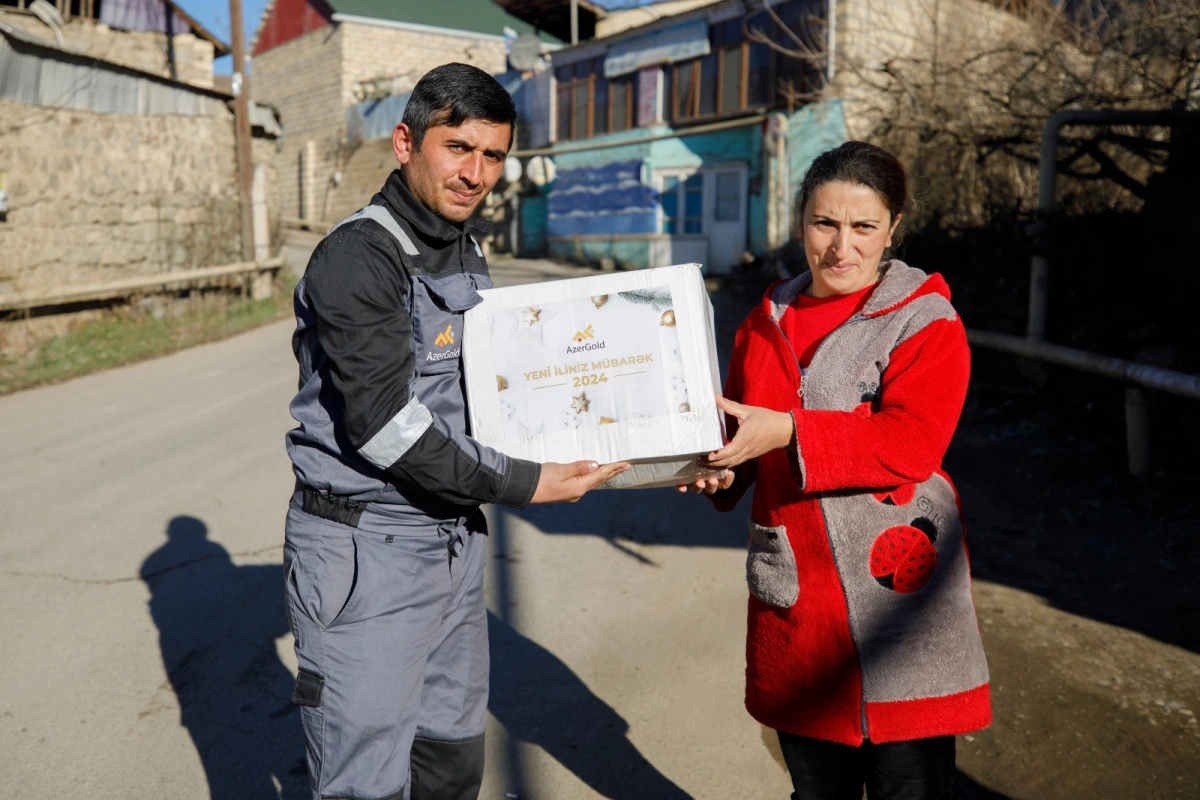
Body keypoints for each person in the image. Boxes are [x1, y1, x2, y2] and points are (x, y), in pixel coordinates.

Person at [283, 62, 628, 800]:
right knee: (365, 776)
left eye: (493, 155)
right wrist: (526, 482)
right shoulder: (359, 255)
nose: (476, 174)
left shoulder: (461, 245)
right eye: (459, 148)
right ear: (406, 142)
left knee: (450, 756)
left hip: (452, 542)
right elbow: (386, 430)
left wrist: (658, 449)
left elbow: (501, 393)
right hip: (366, 553)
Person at [683, 141, 990, 799]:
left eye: (863, 227)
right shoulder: (762, 324)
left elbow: (912, 444)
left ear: (893, 228)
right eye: (824, 223)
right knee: (817, 789)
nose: (841, 247)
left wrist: (789, 429)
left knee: (911, 788)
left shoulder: (925, 322)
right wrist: (718, 470)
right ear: (800, 221)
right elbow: (739, 438)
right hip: (801, 603)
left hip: (897, 600)